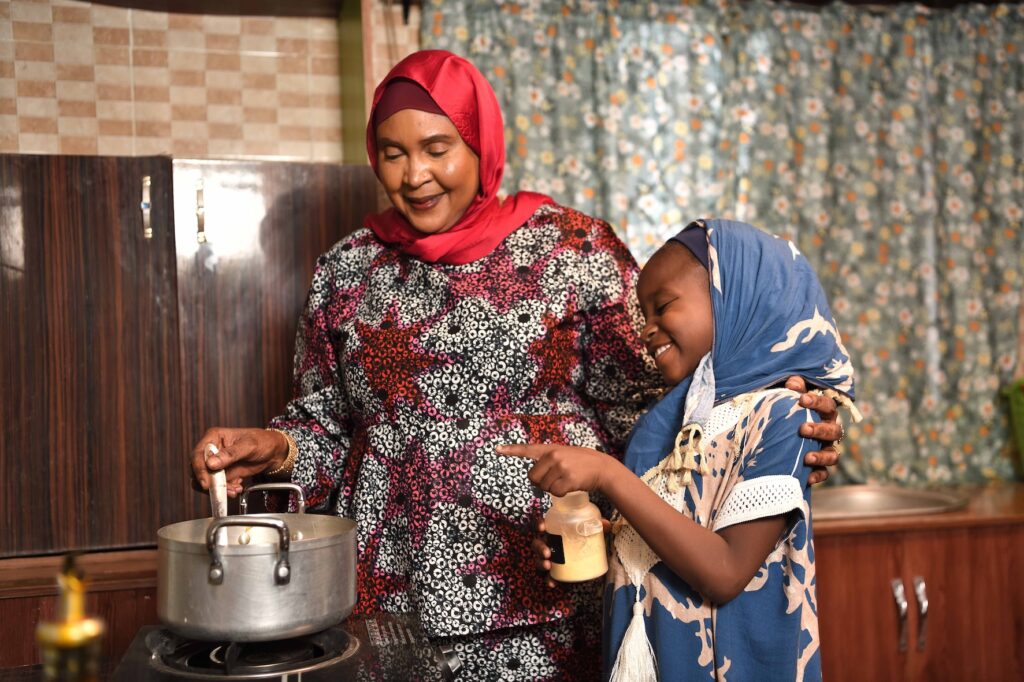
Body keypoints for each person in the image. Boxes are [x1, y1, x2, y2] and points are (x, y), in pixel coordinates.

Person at [190, 50, 843, 681]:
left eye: (437, 148)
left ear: (480, 144)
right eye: (393, 153)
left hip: (550, 593)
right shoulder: (347, 271)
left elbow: (668, 406)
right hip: (387, 594)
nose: (414, 174)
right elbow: (326, 427)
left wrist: (782, 412)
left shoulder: (576, 251)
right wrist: (275, 448)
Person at [499, 219, 860, 681]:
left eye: (663, 306)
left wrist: (609, 475)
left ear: (735, 301)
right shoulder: (677, 425)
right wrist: (604, 541)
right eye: (642, 315)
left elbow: (725, 572)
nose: (646, 331)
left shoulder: (785, 415)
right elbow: (681, 534)